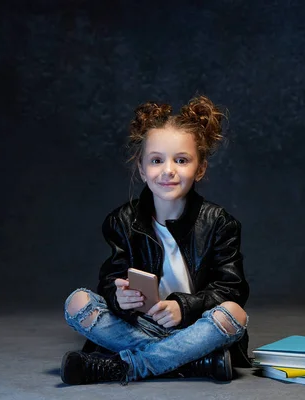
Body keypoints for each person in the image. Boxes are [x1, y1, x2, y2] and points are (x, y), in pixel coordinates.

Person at [61, 96, 251, 385]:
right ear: (141, 168)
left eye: (182, 160)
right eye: (157, 160)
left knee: (233, 314)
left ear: (200, 169)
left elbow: (232, 289)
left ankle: (124, 366)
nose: (168, 170)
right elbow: (111, 279)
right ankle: (193, 362)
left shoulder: (219, 222)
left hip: (195, 328)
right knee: (77, 302)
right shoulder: (121, 221)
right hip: (141, 326)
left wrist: (183, 307)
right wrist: (118, 296)